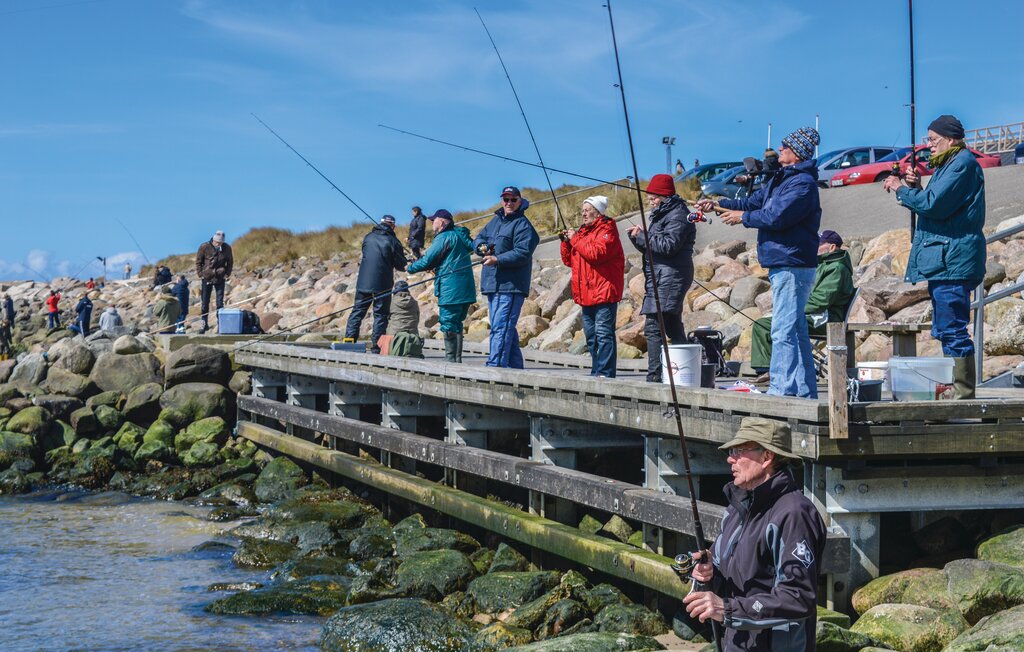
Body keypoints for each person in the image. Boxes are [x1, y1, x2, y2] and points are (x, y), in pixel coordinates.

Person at [683, 417, 825, 652]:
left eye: (739, 451)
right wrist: (709, 572)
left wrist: (726, 609)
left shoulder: (794, 513)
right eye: (731, 451)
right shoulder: (736, 508)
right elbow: (726, 571)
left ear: (767, 457)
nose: (730, 458)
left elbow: (798, 596)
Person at [699, 127, 822, 399]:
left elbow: (776, 216)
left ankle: (780, 391)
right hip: (784, 263)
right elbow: (755, 201)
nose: (780, 150)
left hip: (793, 264)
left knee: (783, 331)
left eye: (785, 147)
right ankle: (803, 392)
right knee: (796, 330)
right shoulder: (783, 179)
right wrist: (719, 203)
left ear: (798, 153)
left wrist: (741, 218)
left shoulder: (802, 184)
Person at [883, 114, 986, 400]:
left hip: (954, 262)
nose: (928, 146)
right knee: (945, 327)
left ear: (950, 139)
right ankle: (953, 388)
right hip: (947, 261)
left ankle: (963, 393)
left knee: (952, 328)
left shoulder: (962, 164)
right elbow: (935, 203)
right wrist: (915, 188)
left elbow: (933, 206)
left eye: (933, 140)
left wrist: (901, 189)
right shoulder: (950, 164)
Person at [751, 230, 855, 379]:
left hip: (826, 319)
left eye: (818, 245)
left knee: (764, 325)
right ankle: (767, 370)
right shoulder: (823, 265)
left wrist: (790, 310)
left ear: (832, 247)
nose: (813, 247)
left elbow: (820, 301)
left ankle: (770, 371)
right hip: (813, 315)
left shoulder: (837, 269)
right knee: (764, 323)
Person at [627, 174, 695, 383]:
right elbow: (654, 247)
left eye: (653, 198)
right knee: (672, 324)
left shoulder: (678, 214)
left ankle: (654, 376)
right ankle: (686, 372)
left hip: (670, 276)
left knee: (654, 326)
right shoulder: (664, 214)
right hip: (662, 274)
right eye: (649, 198)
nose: (650, 201)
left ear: (664, 195)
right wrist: (637, 238)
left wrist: (642, 236)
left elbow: (668, 246)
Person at [473, 186, 540, 369]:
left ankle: (496, 367)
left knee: (501, 327)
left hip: (510, 286)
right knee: (502, 327)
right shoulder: (495, 221)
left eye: (513, 200)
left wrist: (497, 259)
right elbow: (478, 239)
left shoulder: (523, 225)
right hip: (493, 284)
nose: (508, 203)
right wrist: (482, 248)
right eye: (505, 199)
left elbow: (523, 253)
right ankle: (515, 367)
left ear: (520, 201)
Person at [560, 195, 624, 378]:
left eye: (588, 210)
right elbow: (569, 261)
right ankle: (596, 371)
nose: (584, 214)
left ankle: (605, 373)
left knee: (604, 334)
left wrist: (574, 239)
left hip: (604, 291)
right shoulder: (582, 232)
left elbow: (595, 253)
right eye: (583, 211)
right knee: (592, 338)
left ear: (598, 212)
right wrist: (566, 242)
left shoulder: (608, 229)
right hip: (587, 294)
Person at [407, 209, 477, 362]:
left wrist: (410, 267)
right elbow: (448, 257)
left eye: (434, 220)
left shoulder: (443, 237)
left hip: (450, 289)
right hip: (465, 289)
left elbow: (427, 260)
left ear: (443, 222)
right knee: (457, 323)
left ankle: (450, 362)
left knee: (448, 323)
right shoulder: (460, 235)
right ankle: (456, 361)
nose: (432, 222)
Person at [344, 215, 407, 353]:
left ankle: (349, 342)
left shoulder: (368, 237)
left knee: (357, 312)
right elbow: (401, 265)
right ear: (393, 226)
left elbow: (366, 253)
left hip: (363, 282)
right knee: (380, 315)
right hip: (382, 284)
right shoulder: (393, 241)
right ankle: (376, 347)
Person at [196, 230, 234, 334]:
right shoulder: (204, 246)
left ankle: (220, 325)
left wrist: (227, 273)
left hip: (220, 278)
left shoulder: (227, 248)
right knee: (205, 303)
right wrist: (201, 274)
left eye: (221, 243)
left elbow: (230, 262)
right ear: (213, 240)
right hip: (206, 278)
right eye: (217, 242)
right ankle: (204, 324)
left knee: (219, 303)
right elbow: (199, 261)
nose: (219, 244)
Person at [385, 280, 423, 358]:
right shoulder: (414, 302)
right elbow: (417, 318)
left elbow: (386, 318)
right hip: (412, 336)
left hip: (394, 336)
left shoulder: (391, 302)